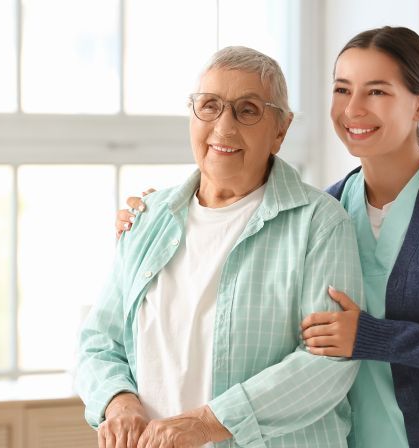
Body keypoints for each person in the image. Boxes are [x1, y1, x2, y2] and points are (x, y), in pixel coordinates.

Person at [116, 27, 419, 448]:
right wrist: (160, 214)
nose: (352, 109)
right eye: (342, 90)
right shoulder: (329, 209)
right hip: (366, 434)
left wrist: (373, 337)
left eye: (376, 92)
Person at [77, 46, 365, 448]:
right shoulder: (148, 217)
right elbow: (100, 340)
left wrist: (208, 423)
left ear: (280, 130)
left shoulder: (319, 223)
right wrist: (118, 400)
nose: (224, 127)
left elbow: (328, 363)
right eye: (209, 106)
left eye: (247, 110)